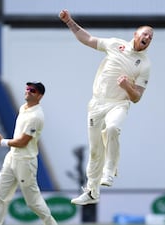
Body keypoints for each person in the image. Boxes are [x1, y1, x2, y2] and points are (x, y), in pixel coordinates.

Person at [59, 9, 154, 205]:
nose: (147, 38)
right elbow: (88, 39)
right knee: (95, 151)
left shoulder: (144, 65)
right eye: (144, 34)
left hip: (119, 104)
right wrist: (69, 21)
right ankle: (92, 192)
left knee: (112, 128)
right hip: (97, 103)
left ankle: (109, 171)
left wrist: (126, 86)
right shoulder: (115, 44)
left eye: (150, 37)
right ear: (135, 35)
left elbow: (136, 98)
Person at [0, 81, 57, 225]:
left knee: (33, 202)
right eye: (27, 88)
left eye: (32, 90)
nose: (28, 91)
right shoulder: (23, 108)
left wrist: (2, 142)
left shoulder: (36, 116)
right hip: (12, 157)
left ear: (39, 96)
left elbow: (23, 142)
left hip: (25, 161)